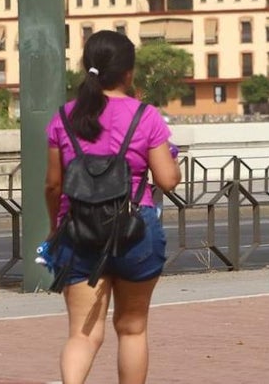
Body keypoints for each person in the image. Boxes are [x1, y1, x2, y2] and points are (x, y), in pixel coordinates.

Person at [44, 30, 182, 384]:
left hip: (78, 231)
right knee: (132, 329)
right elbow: (168, 180)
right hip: (135, 231)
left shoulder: (64, 117)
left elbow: (54, 184)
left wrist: (54, 225)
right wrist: (172, 159)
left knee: (82, 334)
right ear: (128, 73)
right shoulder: (146, 116)